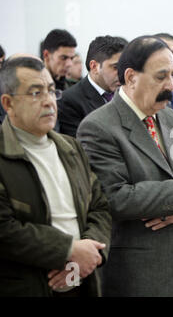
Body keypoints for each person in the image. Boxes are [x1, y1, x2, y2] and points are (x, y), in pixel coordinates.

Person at [77, 35, 173, 297]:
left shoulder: (172, 119)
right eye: (161, 77)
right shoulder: (98, 127)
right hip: (140, 275)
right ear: (130, 77)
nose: (171, 87)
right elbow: (114, 197)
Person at [0, 56, 111, 297]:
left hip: (82, 280)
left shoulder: (71, 148)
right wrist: (69, 249)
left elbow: (100, 207)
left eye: (51, 91)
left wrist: (89, 254)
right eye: (35, 93)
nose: (49, 102)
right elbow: (5, 230)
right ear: (8, 103)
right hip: (28, 284)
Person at [58, 36, 127, 137]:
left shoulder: (126, 93)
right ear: (94, 67)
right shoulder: (69, 101)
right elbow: (80, 146)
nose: (122, 74)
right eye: (116, 67)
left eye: (124, 67)